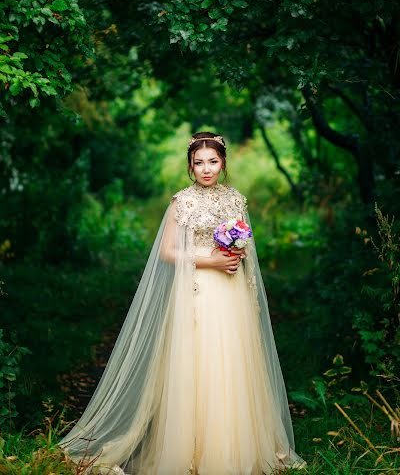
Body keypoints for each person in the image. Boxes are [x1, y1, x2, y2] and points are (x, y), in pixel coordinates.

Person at [58, 131, 306, 475]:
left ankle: (236, 449)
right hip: (199, 287)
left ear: (223, 163)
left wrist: (234, 253)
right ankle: (191, 449)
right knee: (198, 361)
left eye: (213, 161)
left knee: (232, 362)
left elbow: (247, 244)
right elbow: (168, 251)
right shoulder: (181, 202)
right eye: (199, 163)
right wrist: (212, 262)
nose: (206, 169)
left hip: (231, 291)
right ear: (190, 167)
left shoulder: (236, 199)